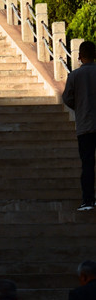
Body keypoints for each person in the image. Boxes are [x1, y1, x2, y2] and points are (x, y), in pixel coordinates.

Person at [62, 40, 96, 211]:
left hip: (85, 127)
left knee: (88, 163)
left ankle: (88, 200)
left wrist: (80, 106)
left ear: (80, 56)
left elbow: (67, 98)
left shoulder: (74, 76)